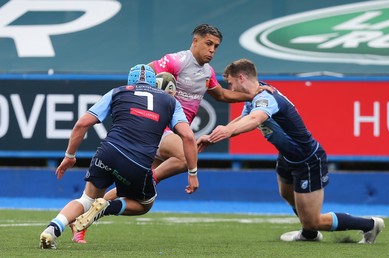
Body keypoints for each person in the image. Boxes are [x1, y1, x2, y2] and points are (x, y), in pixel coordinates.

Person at [71, 23, 271, 244]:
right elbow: (144, 72)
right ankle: (148, 180)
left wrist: (252, 95)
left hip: (170, 133)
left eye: (216, 46)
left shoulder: (207, 73)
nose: (212, 50)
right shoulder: (177, 61)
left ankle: (83, 220)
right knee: (187, 155)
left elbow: (222, 95)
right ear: (195, 41)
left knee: (124, 190)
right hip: (158, 128)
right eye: (208, 44)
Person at [196, 58, 385, 244]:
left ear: (241, 77)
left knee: (313, 221)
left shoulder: (265, 98)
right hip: (288, 157)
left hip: (307, 159)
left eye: (230, 84)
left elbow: (254, 120)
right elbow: (243, 119)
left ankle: (369, 224)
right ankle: (309, 235)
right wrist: (213, 136)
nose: (231, 90)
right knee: (286, 193)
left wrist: (226, 131)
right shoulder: (255, 95)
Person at [39, 64, 199, 249]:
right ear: (153, 82)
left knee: (86, 199)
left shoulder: (117, 92)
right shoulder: (171, 101)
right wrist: (192, 173)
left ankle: (52, 228)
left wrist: (69, 156)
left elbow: (82, 124)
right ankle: (107, 207)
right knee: (145, 203)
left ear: (129, 81)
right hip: (137, 162)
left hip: (108, 153)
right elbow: (187, 136)